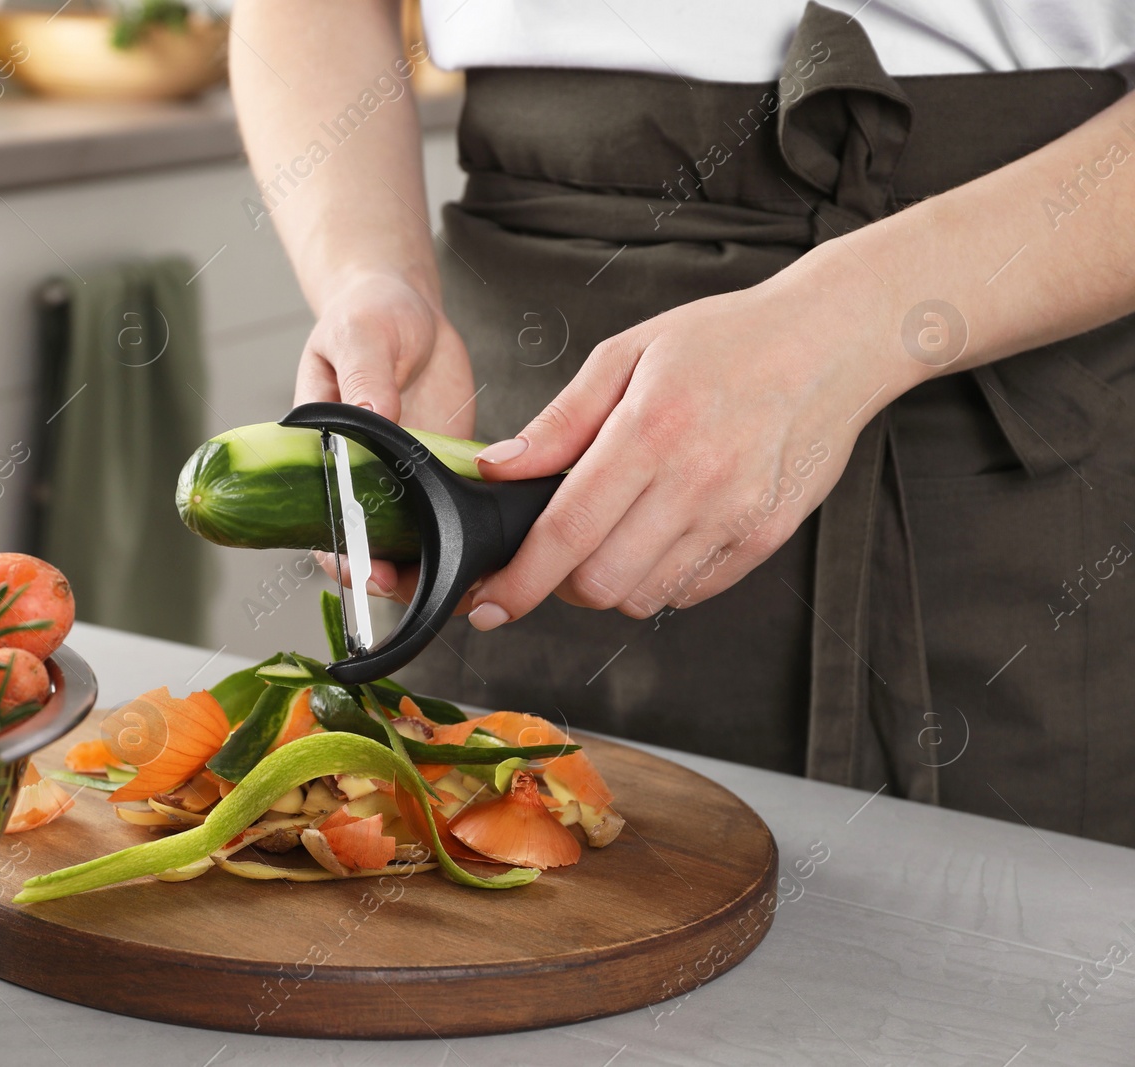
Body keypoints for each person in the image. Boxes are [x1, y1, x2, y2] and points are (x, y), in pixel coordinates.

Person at [229, 0, 1135, 848]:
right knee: (515, 903)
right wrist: (369, 272)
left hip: (1017, 356)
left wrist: (857, 320)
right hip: (527, 403)